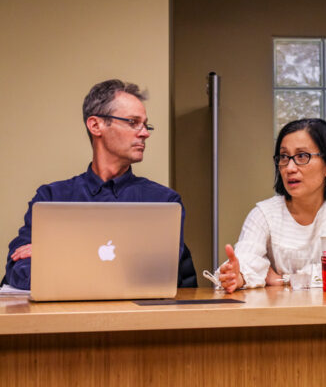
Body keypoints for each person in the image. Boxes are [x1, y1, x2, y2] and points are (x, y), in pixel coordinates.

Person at [3, 79, 197, 290]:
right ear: (96, 125)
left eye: (145, 124)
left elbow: (156, 274)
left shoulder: (163, 202)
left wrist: (57, 253)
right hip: (66, 318)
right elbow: (19, 269)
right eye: (133, 122)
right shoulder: (51, 197)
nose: (145, 133)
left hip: (136, 319)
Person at [218, 118, 326, 293]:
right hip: (281, 314)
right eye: (284, 157)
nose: (289, 168)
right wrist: (237, 276)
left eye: (302, 156)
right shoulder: (264, 213)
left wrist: (282, 279)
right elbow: (244, 261)